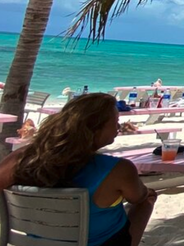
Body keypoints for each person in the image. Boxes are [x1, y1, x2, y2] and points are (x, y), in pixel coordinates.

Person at [0, 94, 157, 246]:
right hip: (102, 242)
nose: (118, 126)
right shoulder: (119, 169)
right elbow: (138, 197)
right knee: (147, 199)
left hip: (37, 241)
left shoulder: (23, 157)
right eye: (115, 121)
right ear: (94, 128)